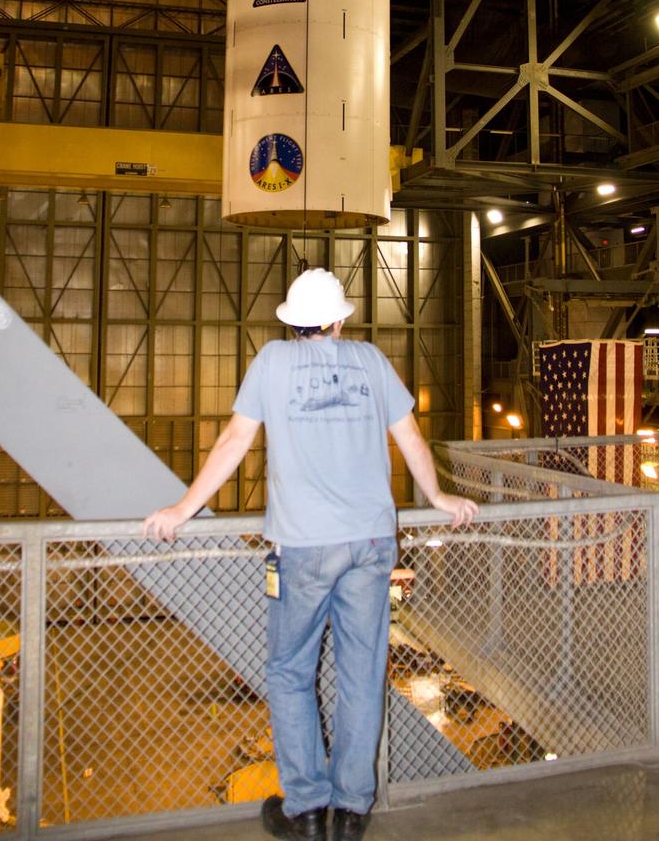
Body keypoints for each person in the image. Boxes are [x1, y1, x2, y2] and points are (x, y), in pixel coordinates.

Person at [143, 267, 478, 841]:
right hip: (372, 544)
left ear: (292, 322)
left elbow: (233, 442)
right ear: (340, 319)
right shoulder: (371, 361)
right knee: (362, 674)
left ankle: (306, 810)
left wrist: (183, 508)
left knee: (290, 673)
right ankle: (352, 810)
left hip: (302, 549)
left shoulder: (271, 362)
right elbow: (412, 441)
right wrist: (439, 496)